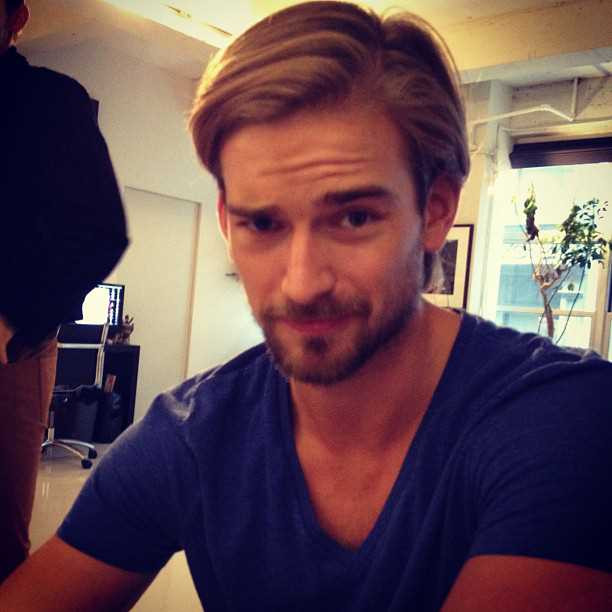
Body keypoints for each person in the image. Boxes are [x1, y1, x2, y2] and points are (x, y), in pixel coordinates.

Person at [2, 1, 612, 609]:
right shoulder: (190, 436)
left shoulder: (564, 419)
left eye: (353, 217)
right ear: (227, 222)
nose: (300, 284)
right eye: (263, 223)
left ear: (435, 210)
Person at [0, 0, 128, 582]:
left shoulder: (53, 103)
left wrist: (14, 320)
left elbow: (101, 231)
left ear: (16, 18)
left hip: (12, 349)